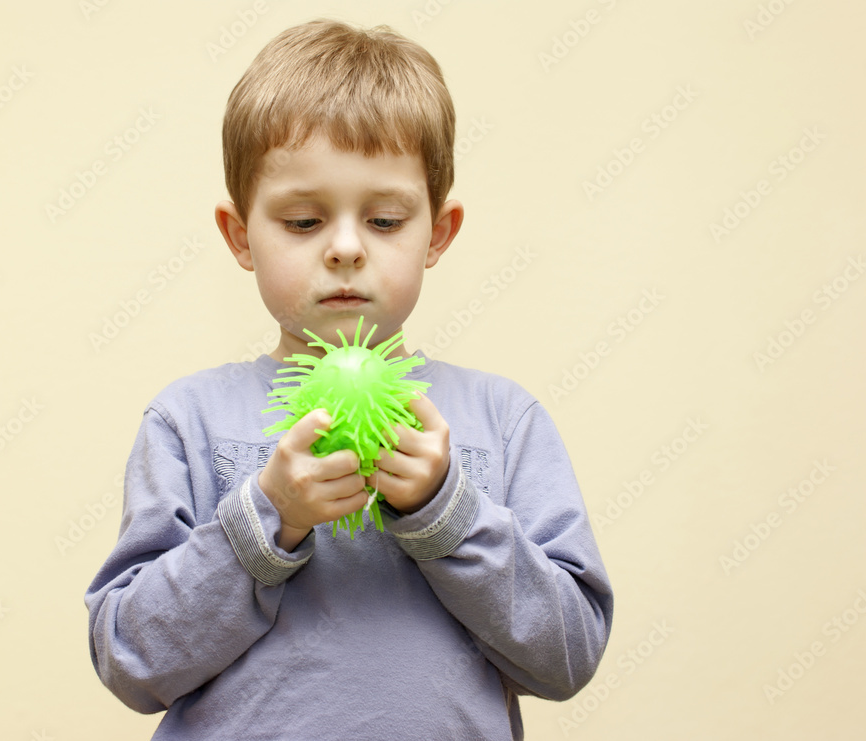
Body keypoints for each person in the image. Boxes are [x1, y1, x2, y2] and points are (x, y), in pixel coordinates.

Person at [85, 18, 613, 740]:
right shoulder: (188, 421)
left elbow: (569, 655)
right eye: (303, 221)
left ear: (438, 233)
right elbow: (130, 659)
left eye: (385, 220)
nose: (343, 248)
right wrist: (266, 517)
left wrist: (449, 511)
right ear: (240, 235)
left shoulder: (503, 419)